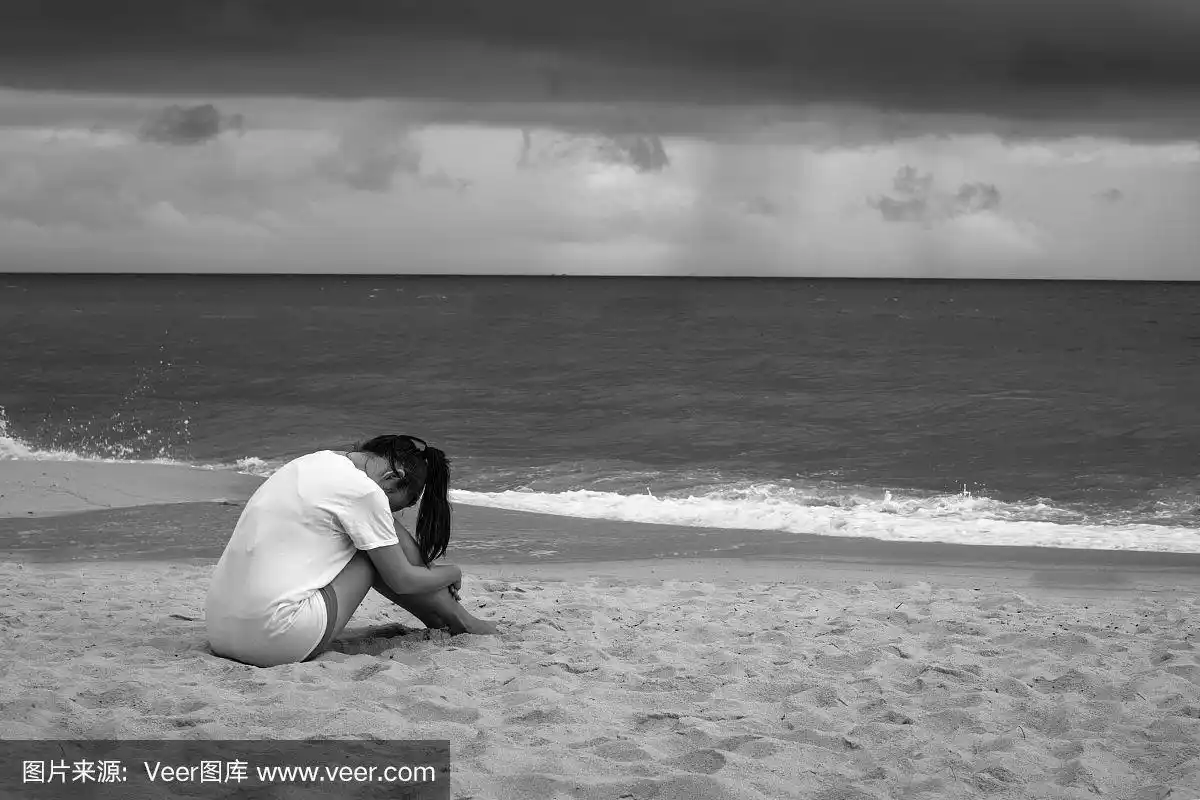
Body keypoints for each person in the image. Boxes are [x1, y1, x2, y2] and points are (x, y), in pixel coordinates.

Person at [205, 434, 498, 667]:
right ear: (393, 478)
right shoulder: (364, 492)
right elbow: (402, 579)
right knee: (374, 552)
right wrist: (451, 573)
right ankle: (457, 620)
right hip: (273, 640)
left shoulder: (311, 462)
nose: (392, 512)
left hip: (220, 631)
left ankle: (445, 617)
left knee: (380, 537)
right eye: (398, 505)